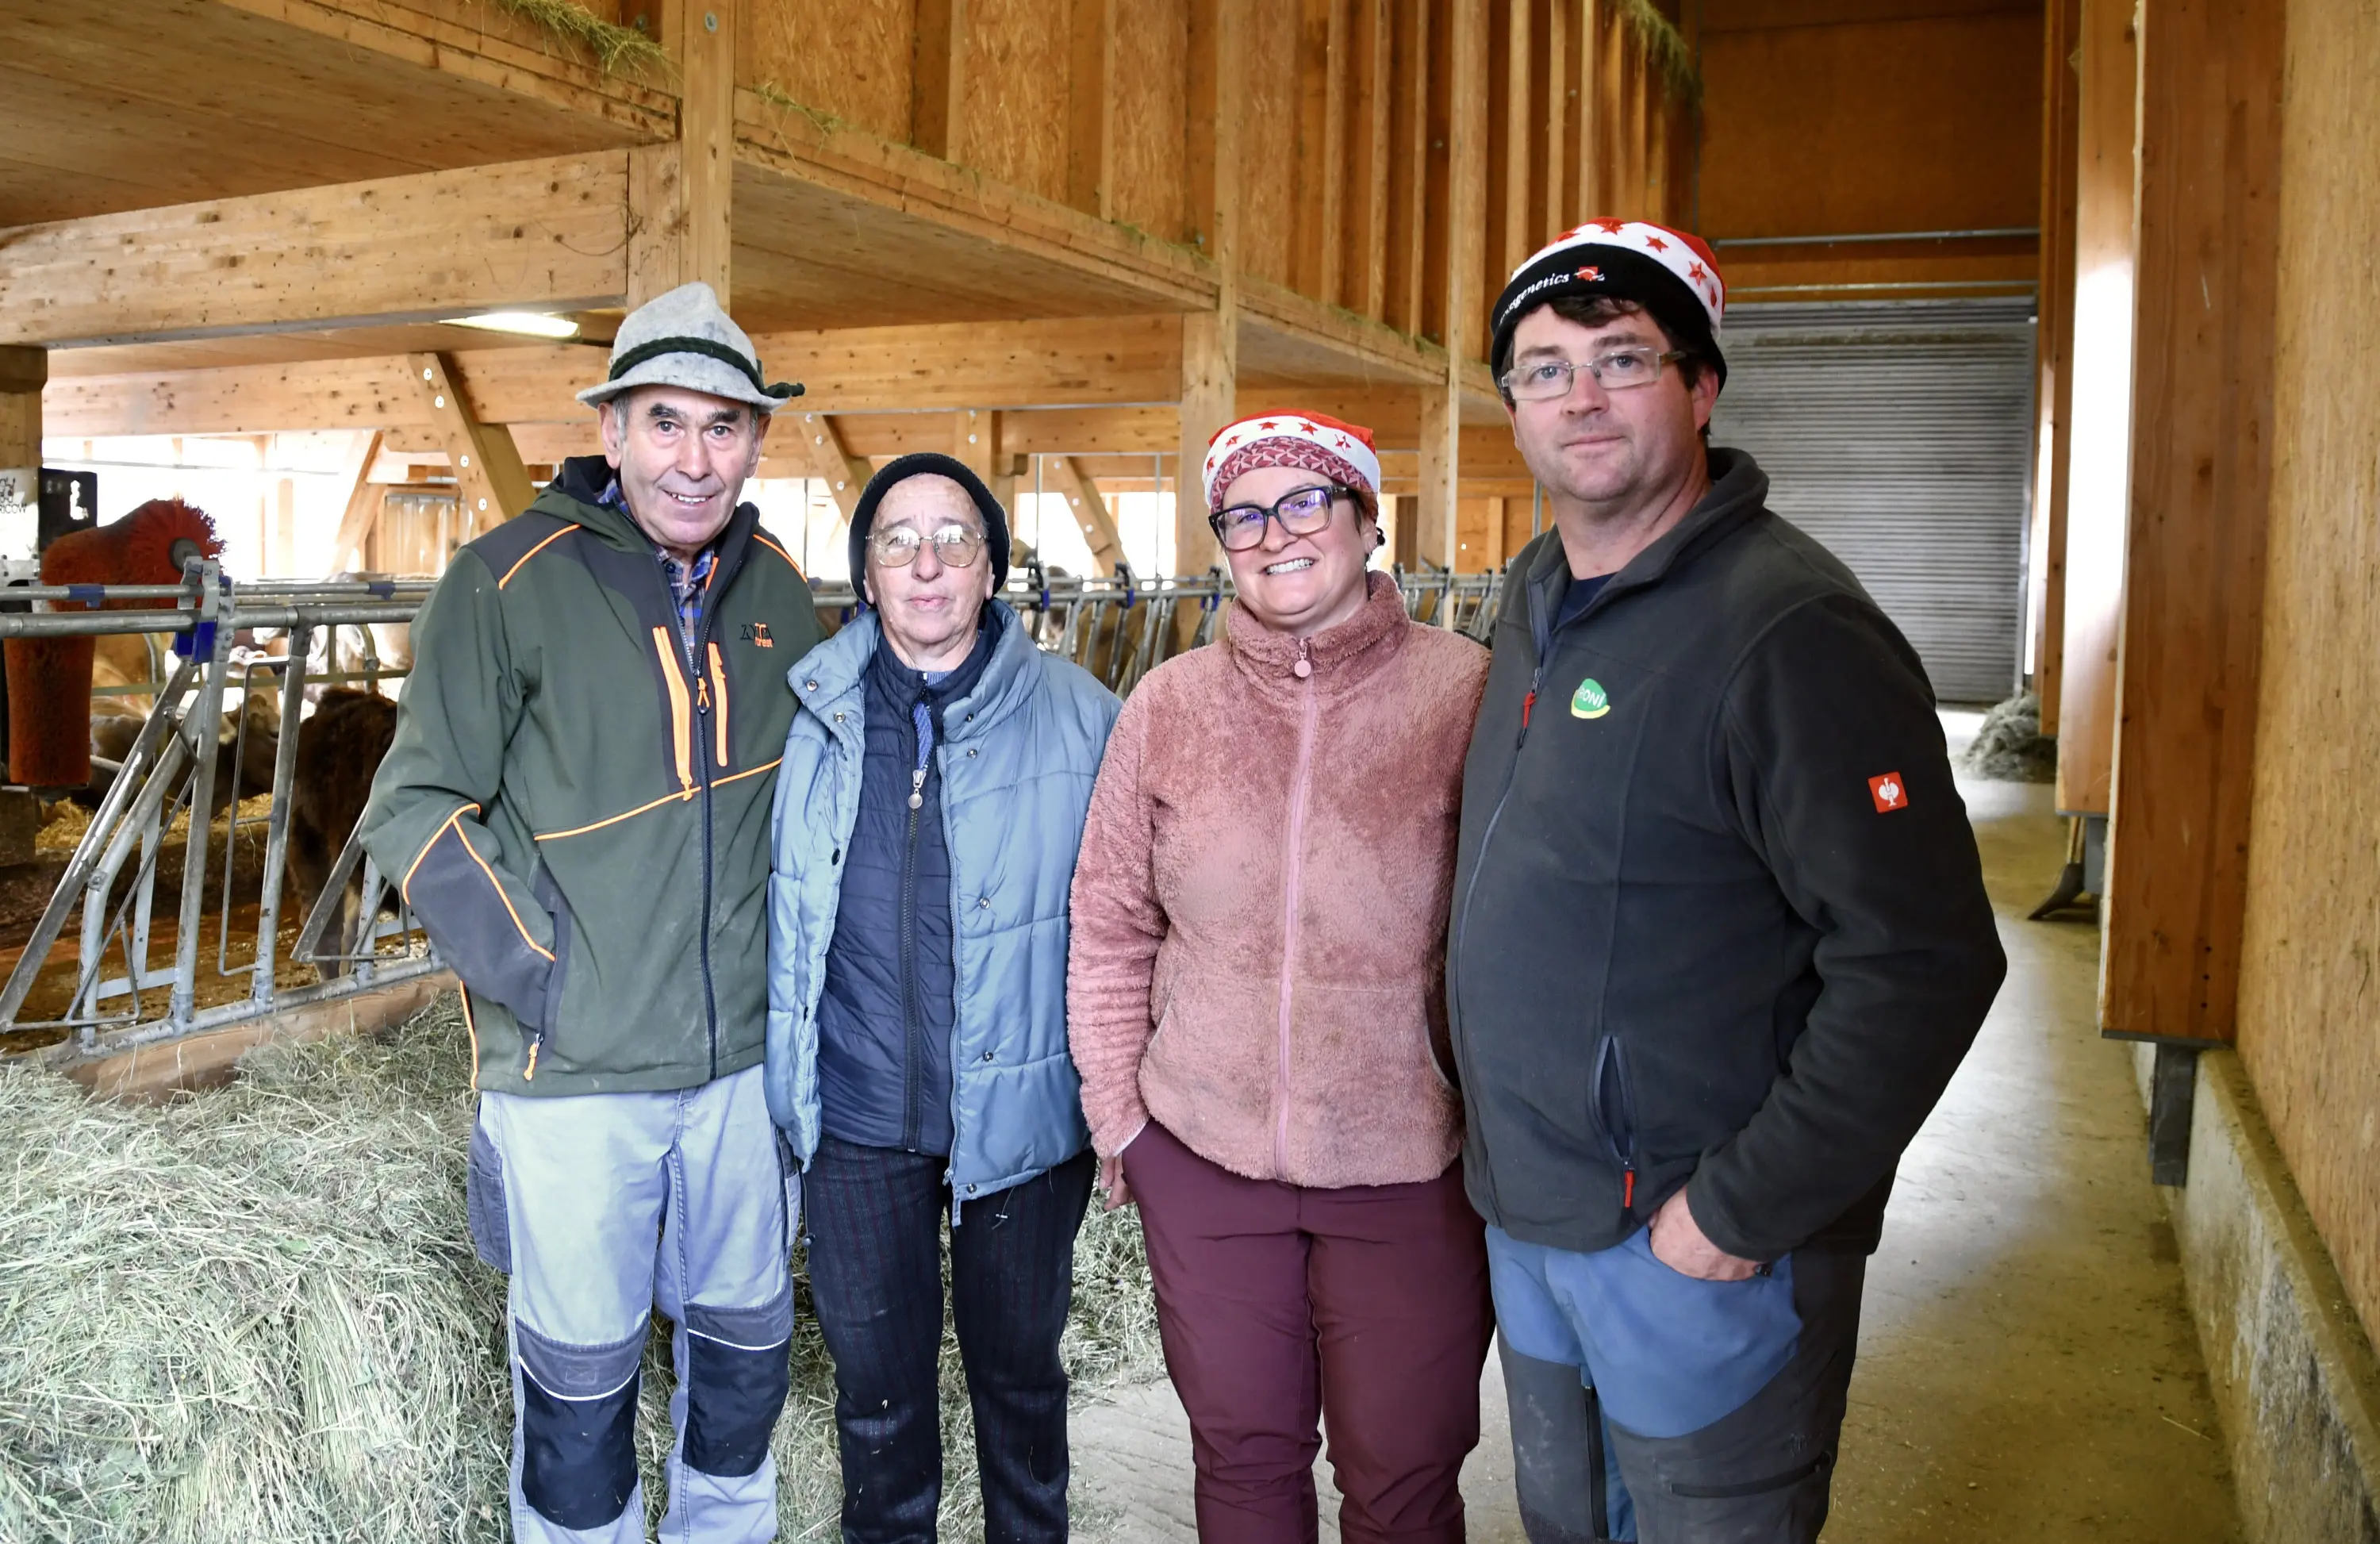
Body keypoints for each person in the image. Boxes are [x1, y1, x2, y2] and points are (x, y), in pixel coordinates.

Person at [1449, 221, 2010, 1543]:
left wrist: (1745, 1206)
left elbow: (1923, 961)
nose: (1578, 396)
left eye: (1621, 357)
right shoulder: (1535, 589)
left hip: (1693, 1239)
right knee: (1569, 1520)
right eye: (1542, 369)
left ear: (1701, 387)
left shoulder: (1792, 630)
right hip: (1536, 1214)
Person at [362, 282, 823, 1544]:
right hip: (575, 1073)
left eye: (724, 426)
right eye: (664, 421)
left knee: (742, 1357)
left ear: (757, 442)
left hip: (743, 1074)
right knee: (581, 1379)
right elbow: (414, 809)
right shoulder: (507, 581)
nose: (694, 455)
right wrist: (546, 978)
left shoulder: (779, 588)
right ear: (610, 430)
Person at [1068, 413, 1495, 1544]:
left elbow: (1520, 933)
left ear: (1367, 522)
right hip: (1204, 1161)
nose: (1276, 534)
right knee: (1244, 1461)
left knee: (1403, 1474)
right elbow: (1111, 922)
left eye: (1308, 501)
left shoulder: (1466, 694)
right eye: (1245, 514)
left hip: (1410, 1163)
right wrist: (1125, 1122)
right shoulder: (1168, 705)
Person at [764, 454, 1120, 1542]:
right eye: (897, 539)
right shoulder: (808, 710)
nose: (926, 563)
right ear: (866, 573)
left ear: (992, 569)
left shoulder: (1082, 715)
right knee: (879, 1400)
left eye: (955, 538)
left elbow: (1133, 915)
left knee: (1019, 1384)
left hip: (1019, 1121)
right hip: (858, 1115)